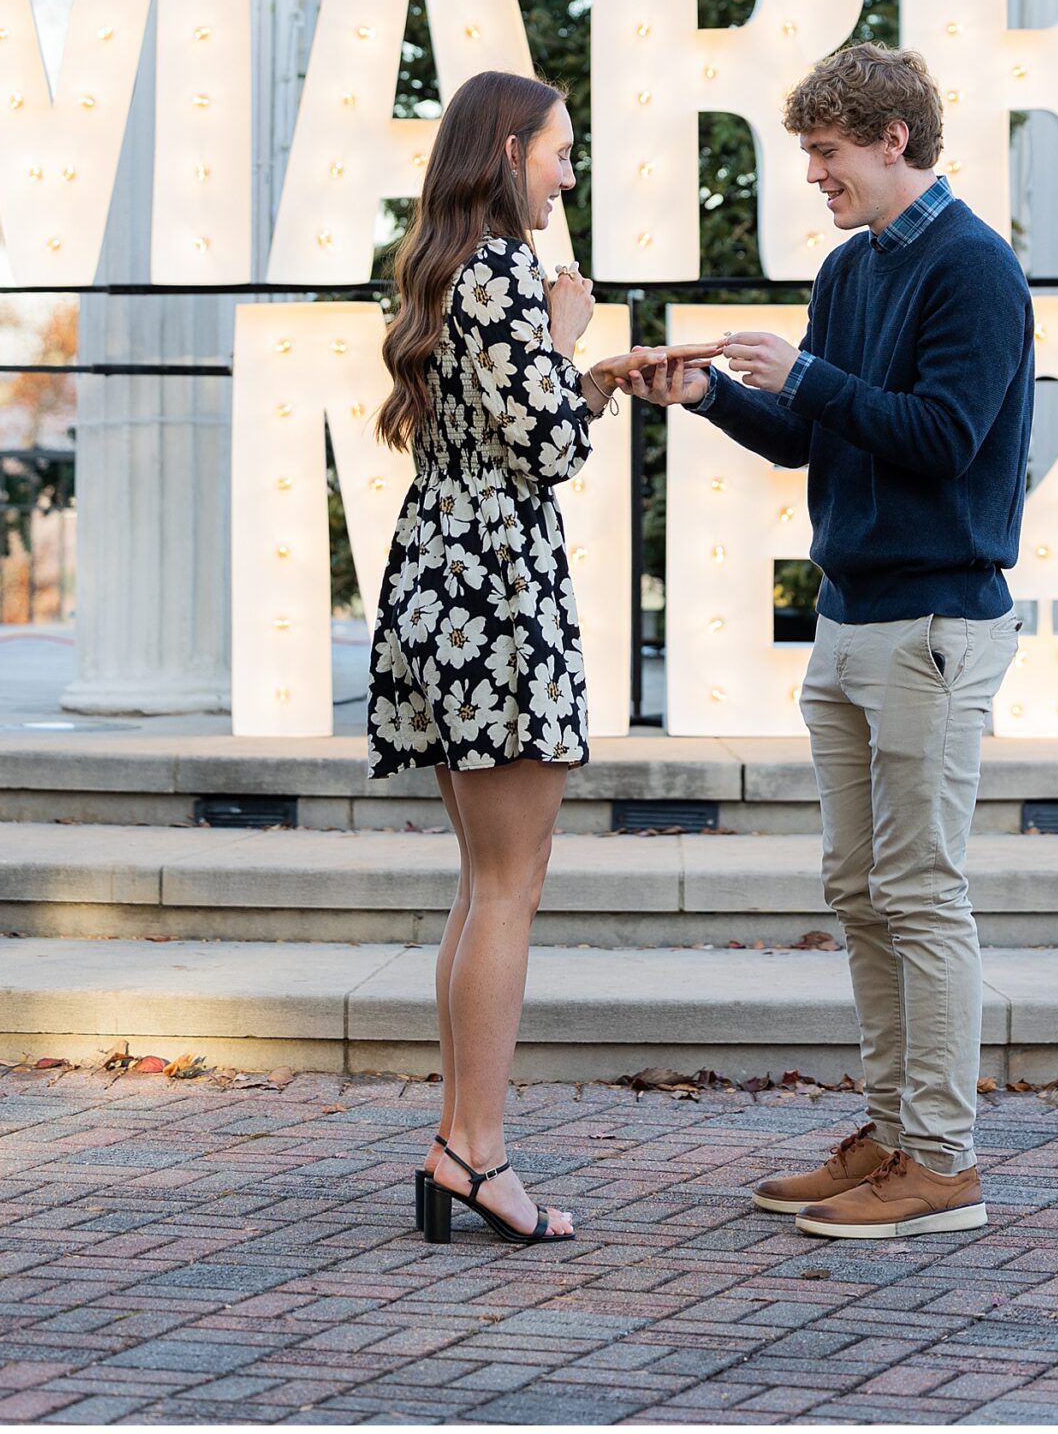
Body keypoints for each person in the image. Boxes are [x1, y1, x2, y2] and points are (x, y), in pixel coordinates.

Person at [629, 42, 1034, 1242]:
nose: (813, 174)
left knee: (919, 894)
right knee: (861, 893)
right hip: (851, 618)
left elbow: (943, 437)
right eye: (810, 153)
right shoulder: (850, 269)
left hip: (934, 624)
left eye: (825, 152)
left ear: (891, 139)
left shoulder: (974, 269)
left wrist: (805, 371)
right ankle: (892, 1136)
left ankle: (943, 1162)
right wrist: (707, 398)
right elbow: (817, 440)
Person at [370, 69, 638, 1249]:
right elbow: (543, 450)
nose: (567, 172)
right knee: (508, 889)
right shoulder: (500, 273)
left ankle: (456, 1143)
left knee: (483, 887)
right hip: (495, 600)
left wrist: (592, 379)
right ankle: (475, 1151)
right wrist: (569, 336)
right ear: (509, 147)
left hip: (443, 586)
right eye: (558, 150)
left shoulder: (448, 270)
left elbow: (509, 422)